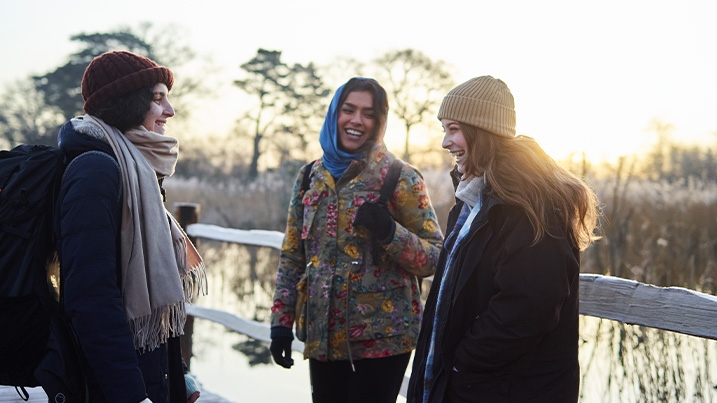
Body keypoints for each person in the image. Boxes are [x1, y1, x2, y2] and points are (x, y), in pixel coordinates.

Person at [407, 76, 602, 403]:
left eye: (453, 129)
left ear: (481, 131)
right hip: (470, 387)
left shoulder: (531, 207)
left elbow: (528, 307)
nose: (445, 142)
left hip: (502, 389)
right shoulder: (472, 200)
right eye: (444, 129)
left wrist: (463, 364)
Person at [269, 77, 444, 403]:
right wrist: (281, 322)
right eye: (348, 110)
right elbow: (293, 254)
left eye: (368, 113)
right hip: (322, 336)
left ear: (379, 122)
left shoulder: (399, 177)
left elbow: (435, 256)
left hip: (382, 341)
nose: (356, 121)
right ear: (335, 113)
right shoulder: (310, 176)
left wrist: (391, 233)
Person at [52, 50, 205, 403]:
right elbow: (92, 299)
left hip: (146, 377)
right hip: (107, 387)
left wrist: (179, 377)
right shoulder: (95, 171)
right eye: (157, 99)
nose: (170, 111)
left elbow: (152, 297)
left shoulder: (138, 171)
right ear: (128, 103)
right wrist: (133, 396)